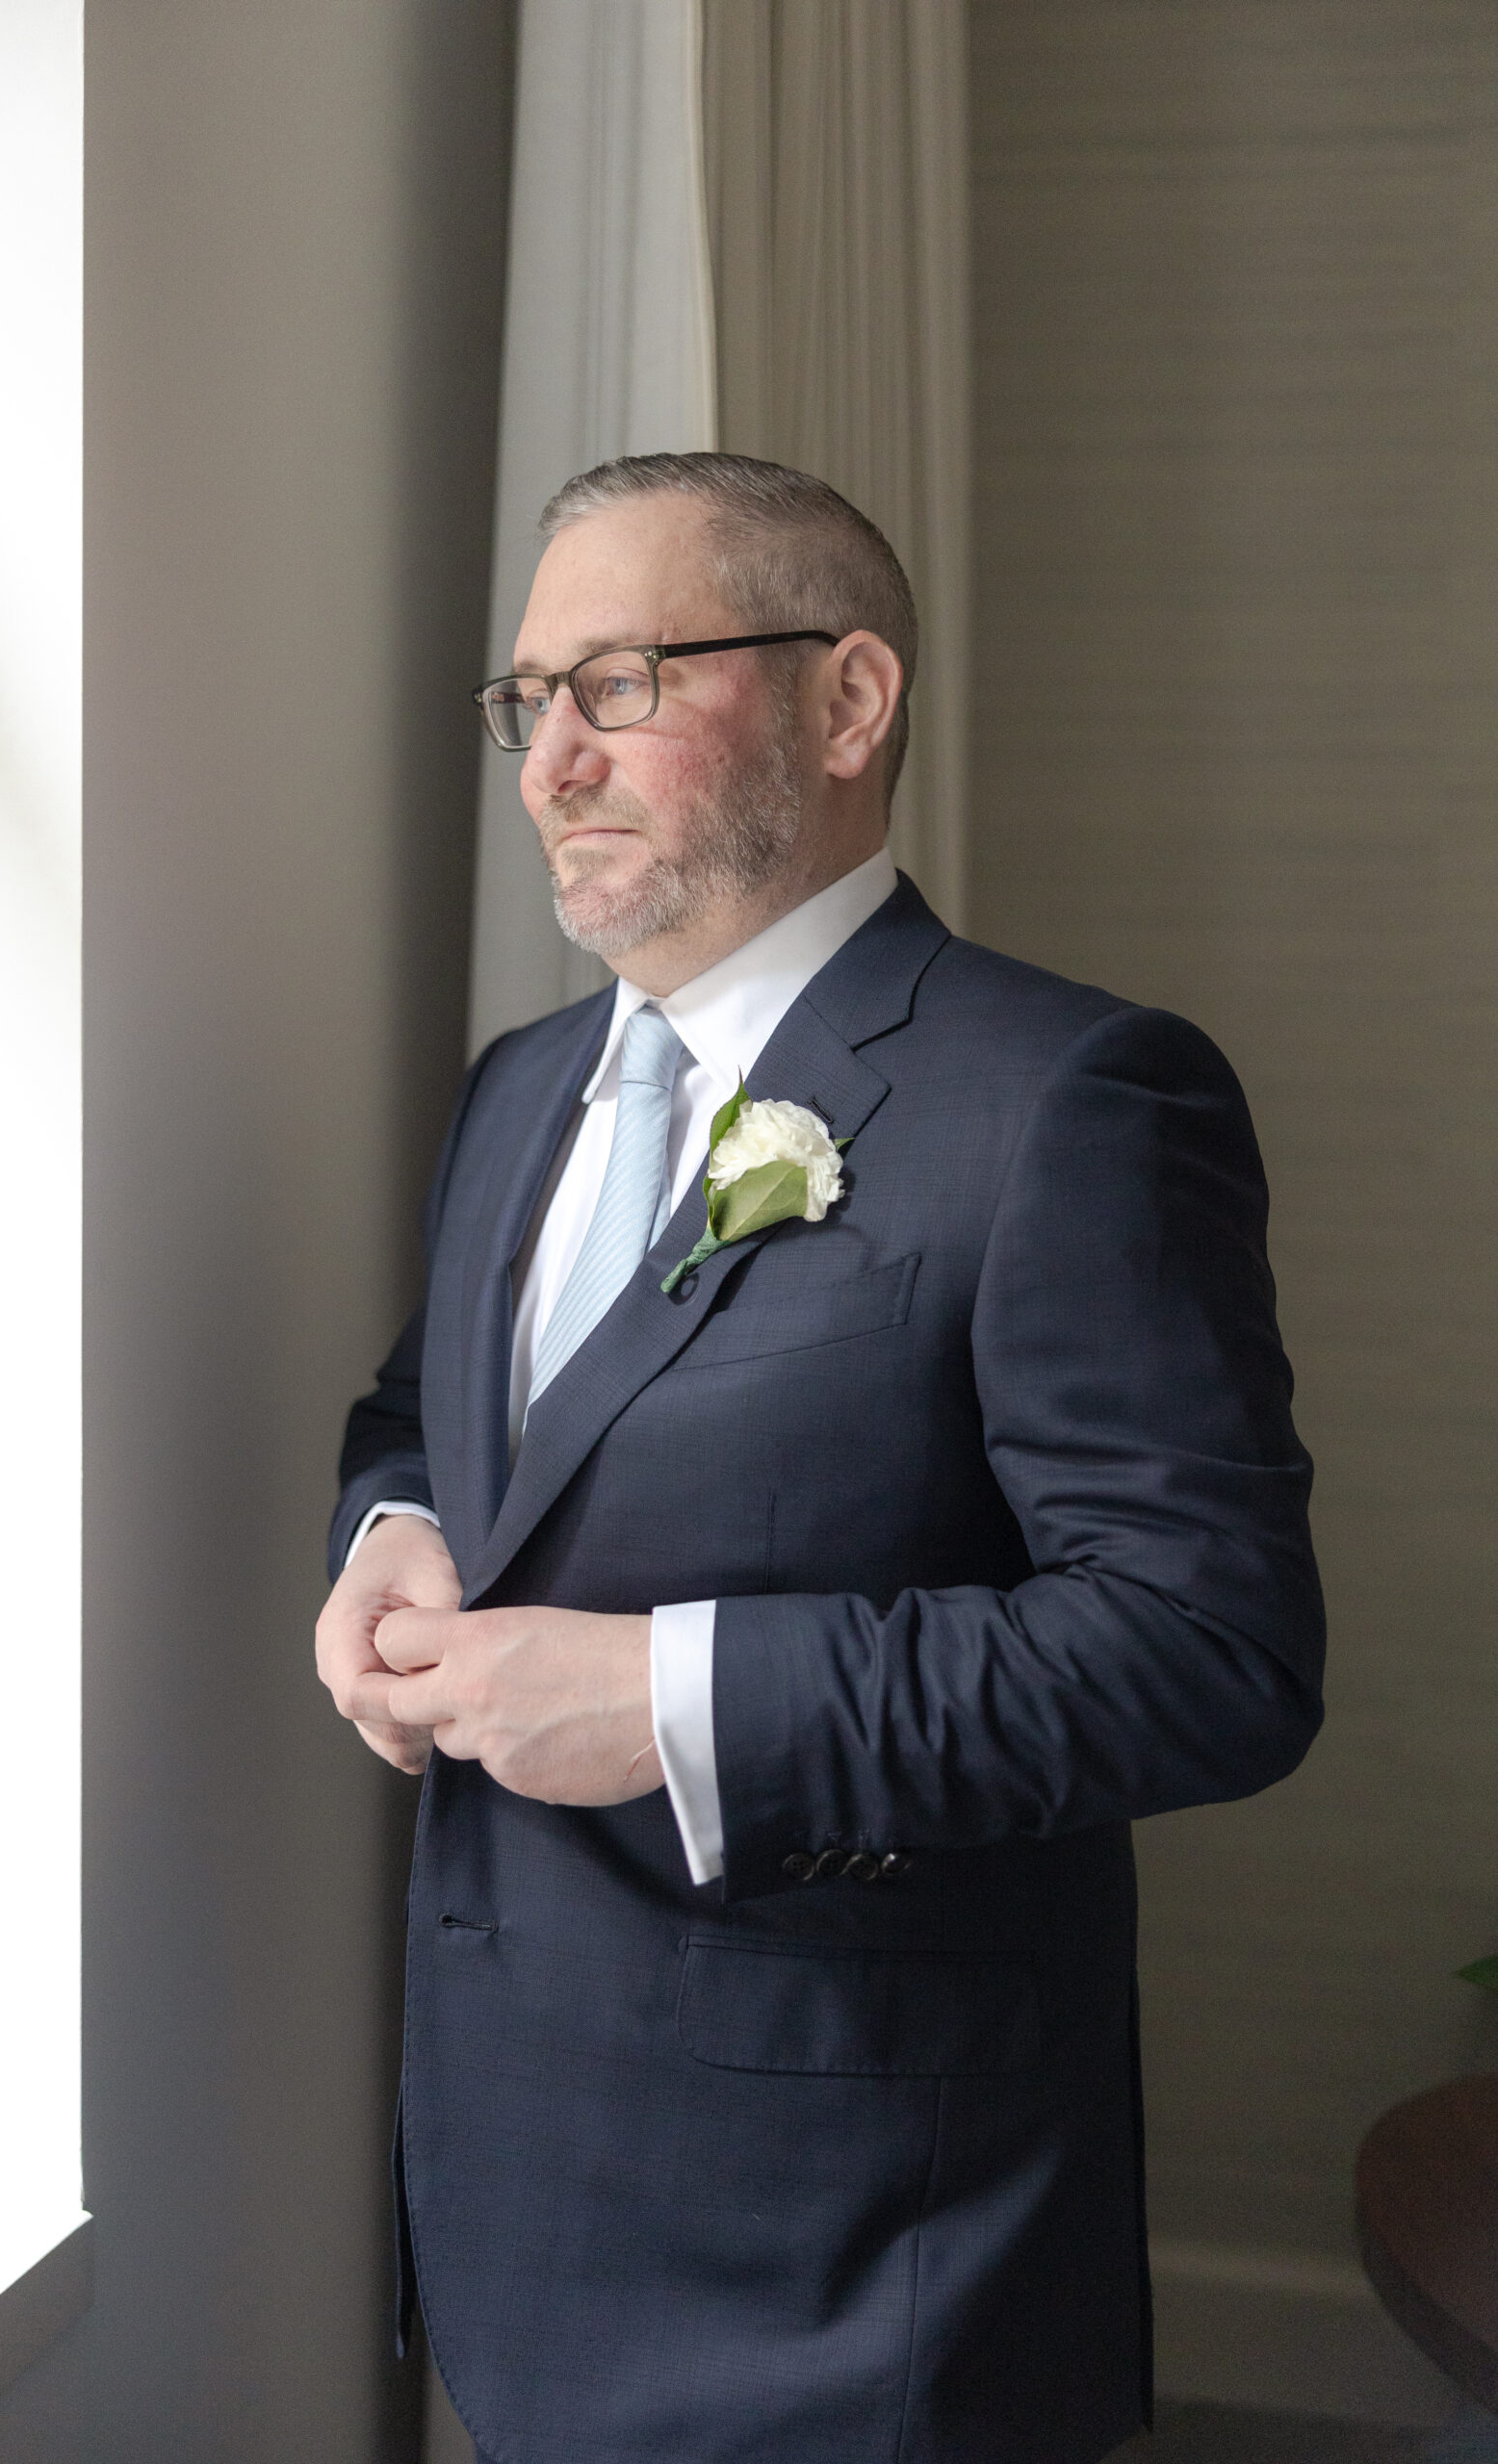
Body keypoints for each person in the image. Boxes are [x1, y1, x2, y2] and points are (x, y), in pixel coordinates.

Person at [315, 452, 1324, 2464]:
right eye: (530, 701)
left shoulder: (1070, 1095)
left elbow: (1205, 1651)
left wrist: (669, 1691)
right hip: (514, 2197)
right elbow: (427, 1411)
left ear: (844, 700)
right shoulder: (521, 1089)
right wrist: (391, 1532)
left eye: (620, 682)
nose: (551, 763)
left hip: (862, 2267)